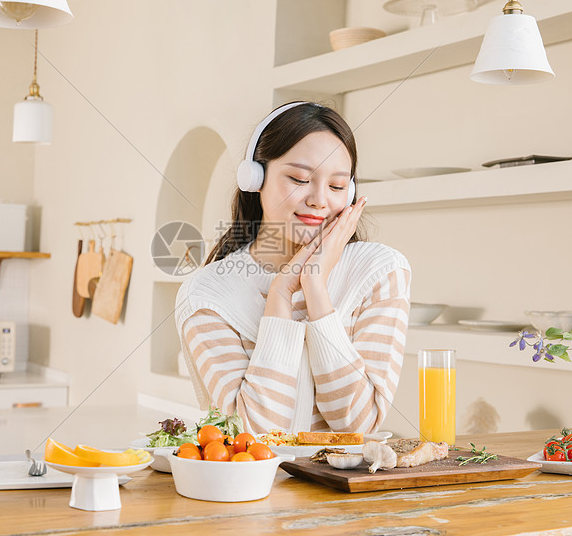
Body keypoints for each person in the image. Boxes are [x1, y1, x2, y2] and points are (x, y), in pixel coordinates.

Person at [175, 102, 411, 434]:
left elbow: (357, 424)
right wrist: (281, 294)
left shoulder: (381, 273)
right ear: (255, 178)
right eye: (300, 179)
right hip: (256, 487)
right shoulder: (207, 294)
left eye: (337, 186)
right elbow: (256, 436)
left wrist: (315, 288)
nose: (319, 200)